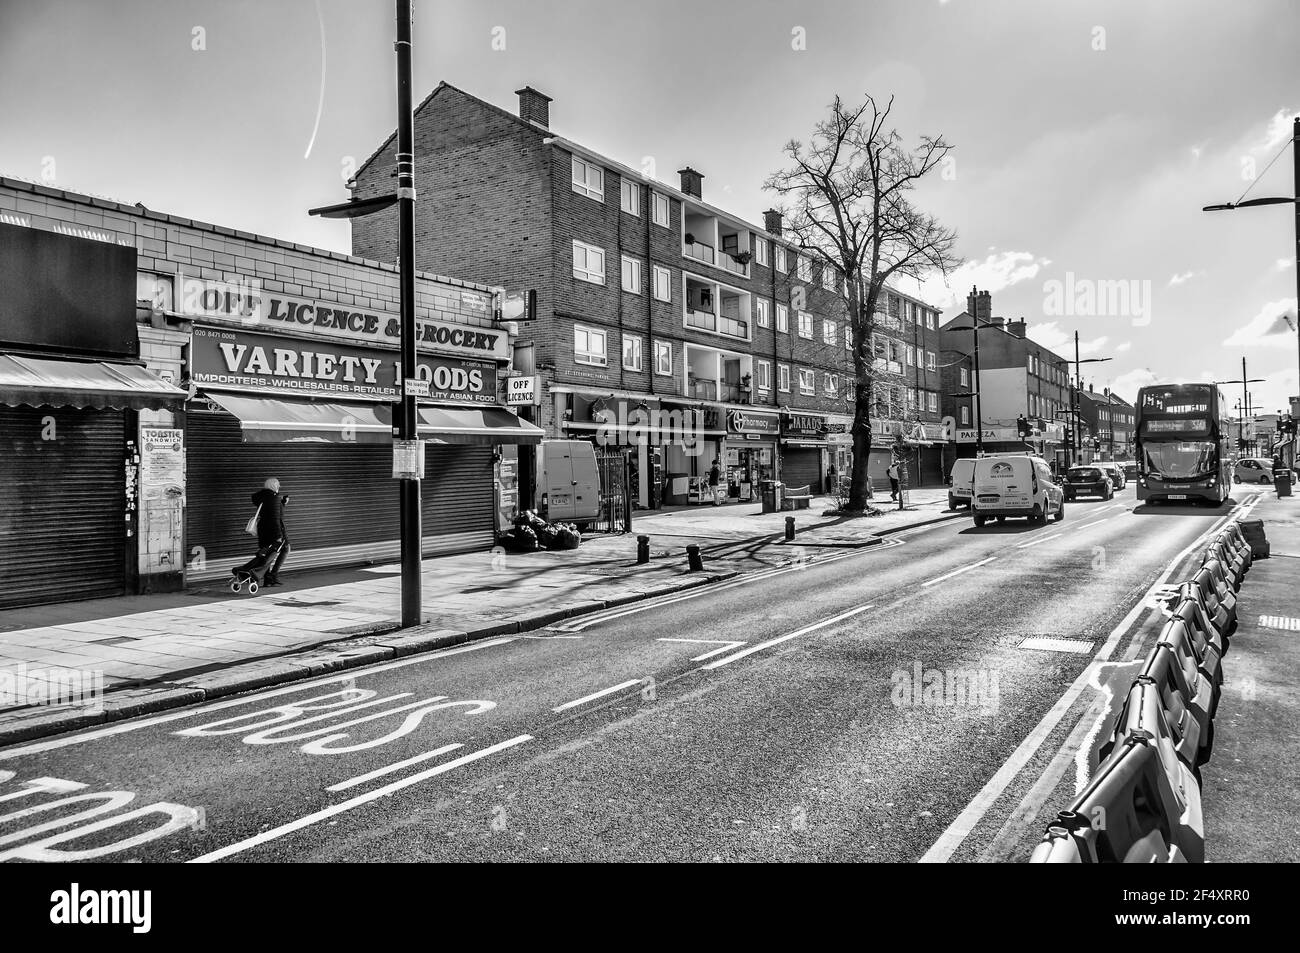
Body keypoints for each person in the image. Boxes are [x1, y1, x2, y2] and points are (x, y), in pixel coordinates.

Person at [250, 477, 290, 586]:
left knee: (267, 553)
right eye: (278, 484)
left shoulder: (262, 497)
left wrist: (282, 503)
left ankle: (267, 580)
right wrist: (278, 536)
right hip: (274, 530)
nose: (279, 486)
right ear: (273, 485)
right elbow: (275, 517)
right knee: (285, 548)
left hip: (263, 529)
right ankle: (272, 575)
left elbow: (270, 510)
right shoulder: (274, 498)